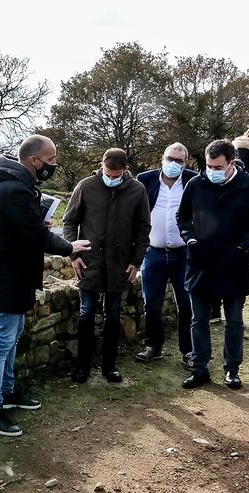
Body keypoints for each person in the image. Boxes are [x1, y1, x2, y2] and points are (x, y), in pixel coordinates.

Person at [0, 135, 90, 437]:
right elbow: (33, 236)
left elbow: (23, 230)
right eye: (51, 160)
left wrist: (38, 224)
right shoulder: (13, 189)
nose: (53, 165)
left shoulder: (19, 185)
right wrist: (69, 247)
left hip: (14, 270)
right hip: (5, 274)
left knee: (12, 336)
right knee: (2, 339)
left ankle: (8, 392)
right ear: (34, 160)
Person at [177, 139, 249, 390]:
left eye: (217, 166)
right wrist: (190, 239)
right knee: (198, 320)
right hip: (200, 261)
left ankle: (232, 370)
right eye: (209, 165)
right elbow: (182, 216)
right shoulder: (196, 184)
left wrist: (243, 246)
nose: (212, 171)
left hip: (234, 262)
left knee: (234, 321)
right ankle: (200, 369)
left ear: (231, 163)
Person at [62, 148, 151, 384]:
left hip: (119, 263)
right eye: (107, 173)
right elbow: (69, 221)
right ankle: (83, 366)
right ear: (102, 167)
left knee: (113, 315)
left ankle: (109, 366)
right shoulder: (86, 186)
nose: (110, 178)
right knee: (87, 313)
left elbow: (143, 229)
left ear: (124, 170)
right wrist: (74, 253)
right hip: (89, 261)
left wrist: (136, 261)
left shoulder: (137, 190)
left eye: (115, 175)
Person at [135, 143, 198, 368]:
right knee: (151, 303)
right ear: (162, 158)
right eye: (170, 158)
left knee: (186, 303)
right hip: (154, 252)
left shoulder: (194, 181)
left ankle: (189, 351)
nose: (174, 164)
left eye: (179, 161)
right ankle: (153, 346)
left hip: (184, 254)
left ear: (186, 162)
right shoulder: (145, 179)